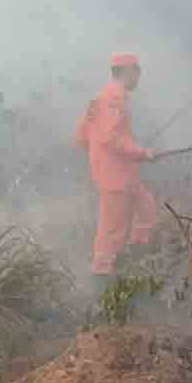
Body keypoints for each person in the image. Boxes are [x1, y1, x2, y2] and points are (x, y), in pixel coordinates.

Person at [75, 53, 156, 276]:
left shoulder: (104, 96)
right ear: (128, 71)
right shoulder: (113, 98)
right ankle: (102, 273)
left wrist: (103, 158)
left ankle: (135, 253)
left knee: (145, 207)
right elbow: (109, 138)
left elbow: (81, 136)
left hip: (120, 171)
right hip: (114, 175)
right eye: (137, 71)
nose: (139, 77)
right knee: (113, 229)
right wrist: (139, 152)